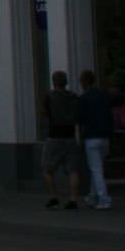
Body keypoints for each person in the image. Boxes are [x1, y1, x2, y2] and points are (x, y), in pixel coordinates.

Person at [40, 69, 83, 210]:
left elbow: (45, 114)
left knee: (47, 168)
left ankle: (54, 196)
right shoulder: (73, 96)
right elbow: (78, 114)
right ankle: (73, 199)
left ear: (53, 82)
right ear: (66, 82)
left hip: (54, 135)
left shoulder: (49, 97)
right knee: (73, 169)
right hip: (70, 135)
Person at [77, 69, 116, 210]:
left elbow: (81, 119)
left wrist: (81, 136)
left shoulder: (83, 98)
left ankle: (104, 199)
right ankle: (92, 196)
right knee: (97, 168)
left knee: (96, 169)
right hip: (105, 136)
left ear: (84, 82)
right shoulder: (103, 96)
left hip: (91, 137)